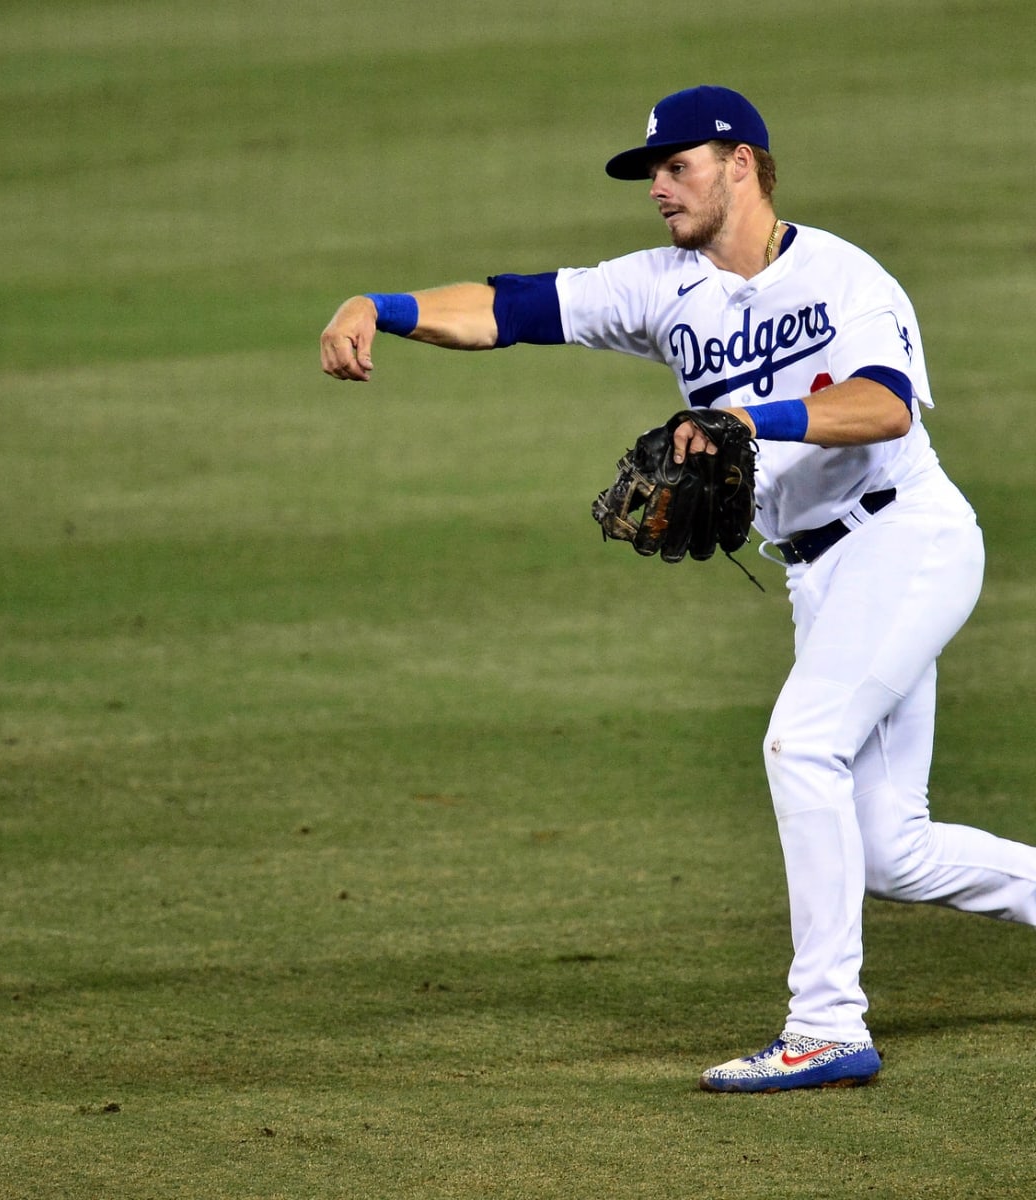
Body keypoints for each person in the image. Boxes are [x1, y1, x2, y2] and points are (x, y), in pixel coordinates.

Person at [319, 85, 1036, 1092]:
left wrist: (751, 421)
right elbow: (512, 307)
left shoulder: (843, 278)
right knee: (891, 850)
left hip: (907, 542)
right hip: (819, 575)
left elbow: (882, 409)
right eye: (651, 173)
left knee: (801, 744)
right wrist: (380, 308)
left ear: (741, 163)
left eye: (675, 166)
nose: (657, 187)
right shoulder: (665, 285)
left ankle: (827, 1025)